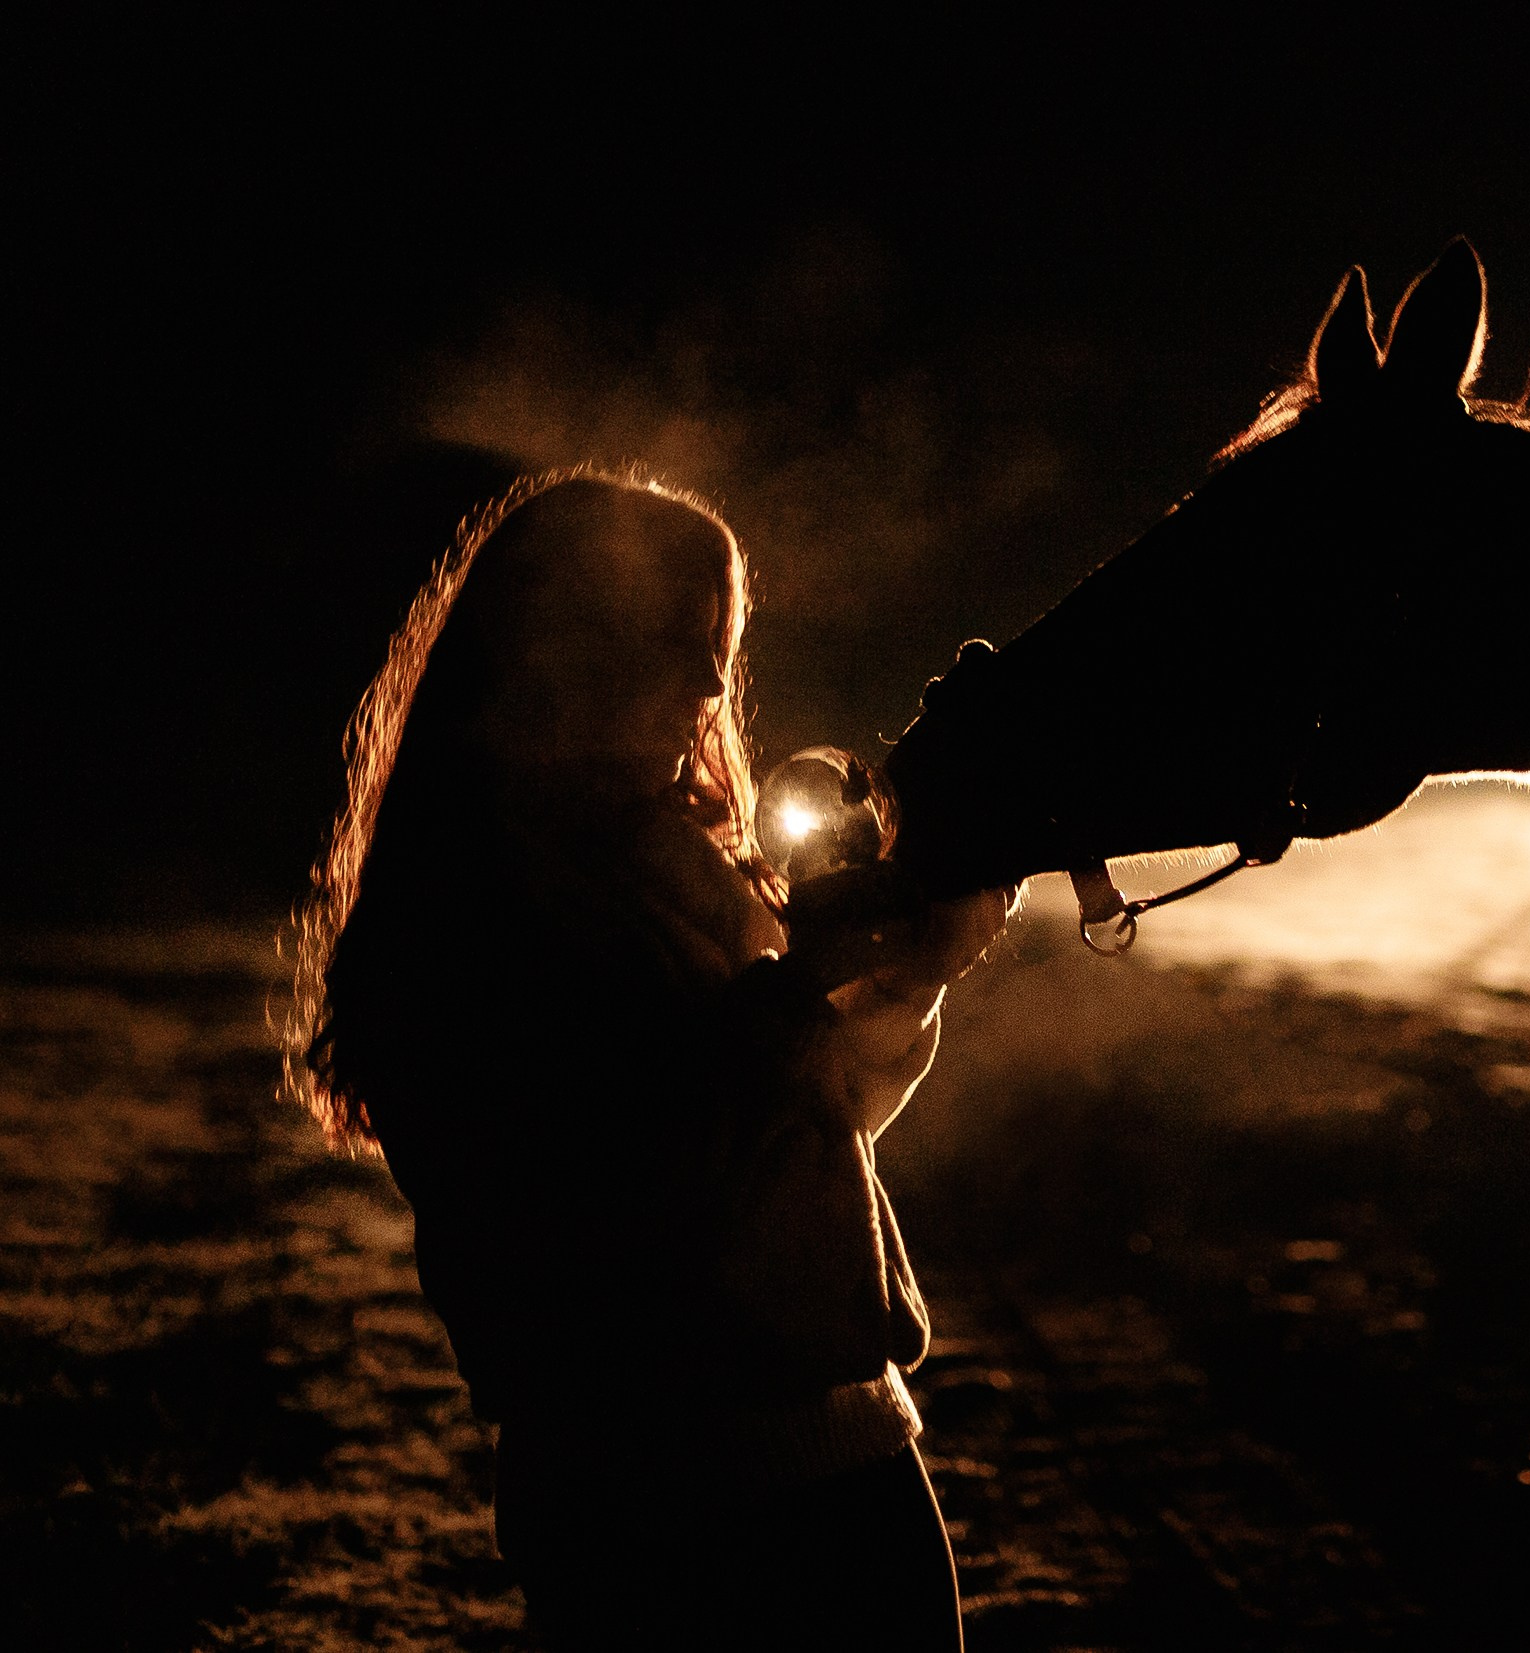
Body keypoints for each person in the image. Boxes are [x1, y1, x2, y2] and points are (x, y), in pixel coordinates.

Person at [285, 469, 1007, 1648]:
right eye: (678, 636)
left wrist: (917, 966)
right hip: (665, 1510)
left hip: (845, 1459)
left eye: (720, 640)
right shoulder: (466, 905)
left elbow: (809, 1129)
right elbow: (621, 1178)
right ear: (555, 643)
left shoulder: (675, 868)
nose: (716, 680)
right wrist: (801, 987)